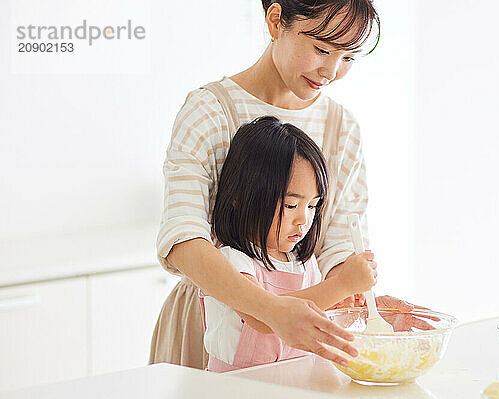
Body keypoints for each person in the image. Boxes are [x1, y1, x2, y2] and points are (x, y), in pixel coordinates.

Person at [150, 0, 417, 370]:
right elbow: (182, 236)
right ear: (276, 21)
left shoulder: (342, 127)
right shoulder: (211, 109)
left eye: (349, 57)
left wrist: (353, 298)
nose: (332, 70)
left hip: (300, 334)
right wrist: (269, 310)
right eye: (322, 49)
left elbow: (340, 244)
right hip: (213, 327)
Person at [204, 116, 377, 372]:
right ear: (240, 199)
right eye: (291, 205)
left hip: (294, 382)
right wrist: (341, 285)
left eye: (312, 205)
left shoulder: (305, 263)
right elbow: (263, 318)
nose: (303, 219)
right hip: (235, 387)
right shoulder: (232, 261)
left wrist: (348, 298)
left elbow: (319, 309)